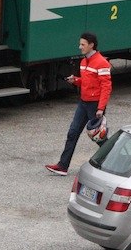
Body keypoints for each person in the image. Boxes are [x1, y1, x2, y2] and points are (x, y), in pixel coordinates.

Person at [46, 32, 111, 175]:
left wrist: (100, 108)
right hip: (83, 103)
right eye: (80, 44)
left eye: (83, 44)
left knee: (98, 137)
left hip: (95, 105)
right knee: (73, 133)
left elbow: (106, 87)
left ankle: (114, 162)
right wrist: (76, 80)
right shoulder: (83, 62)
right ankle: (63, 166)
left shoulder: (102, 63)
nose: (80, 47)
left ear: (91, 45)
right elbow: (87, 81)